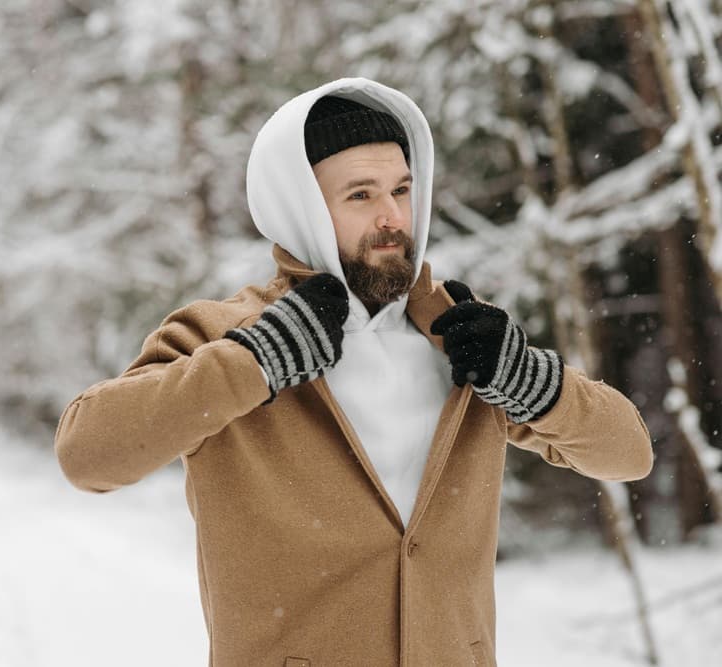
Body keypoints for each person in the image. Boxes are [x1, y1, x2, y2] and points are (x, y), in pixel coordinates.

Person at [55, 77, 653, 667]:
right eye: (361, 196)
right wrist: (257, 359)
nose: (394, 217)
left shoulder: (461, 337)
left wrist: (526, 376)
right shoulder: (223, 335)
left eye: (402, 189)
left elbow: (628, 454)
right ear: (303, 208)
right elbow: (89, 454)